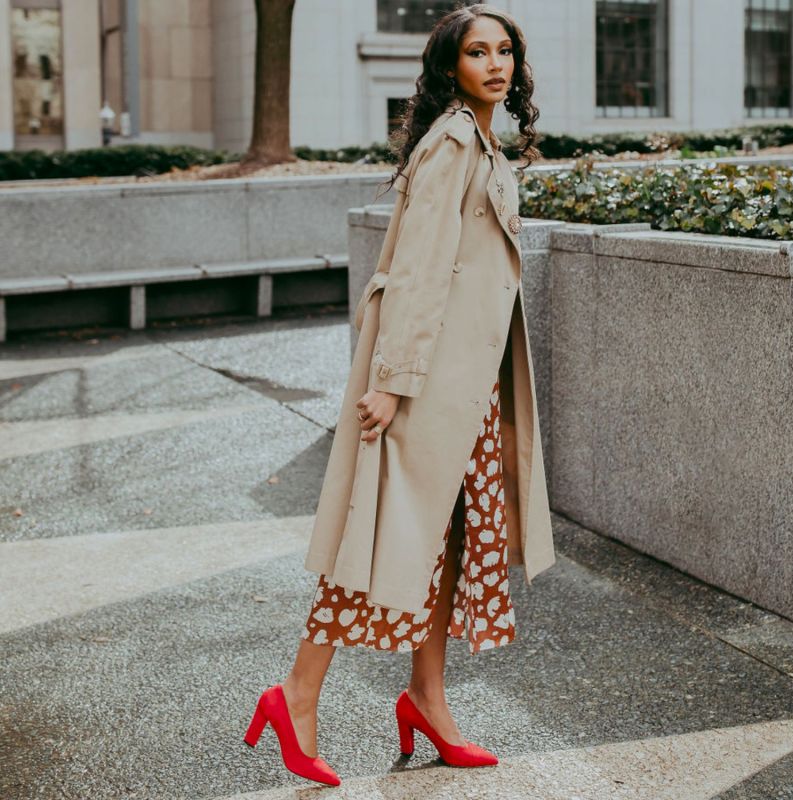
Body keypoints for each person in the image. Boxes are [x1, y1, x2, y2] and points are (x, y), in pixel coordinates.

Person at [242, 3, 554, 787]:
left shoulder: (480, 140)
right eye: (478, 52)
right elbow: (416, 270)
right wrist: (390, 383)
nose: (496, 63)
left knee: (442, 543)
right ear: (451, 67)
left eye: (505, 50)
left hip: (462, 386)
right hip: (424, 386)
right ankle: (296, 696)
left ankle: (426, 699)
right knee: (378, 543)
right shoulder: (453, 144)